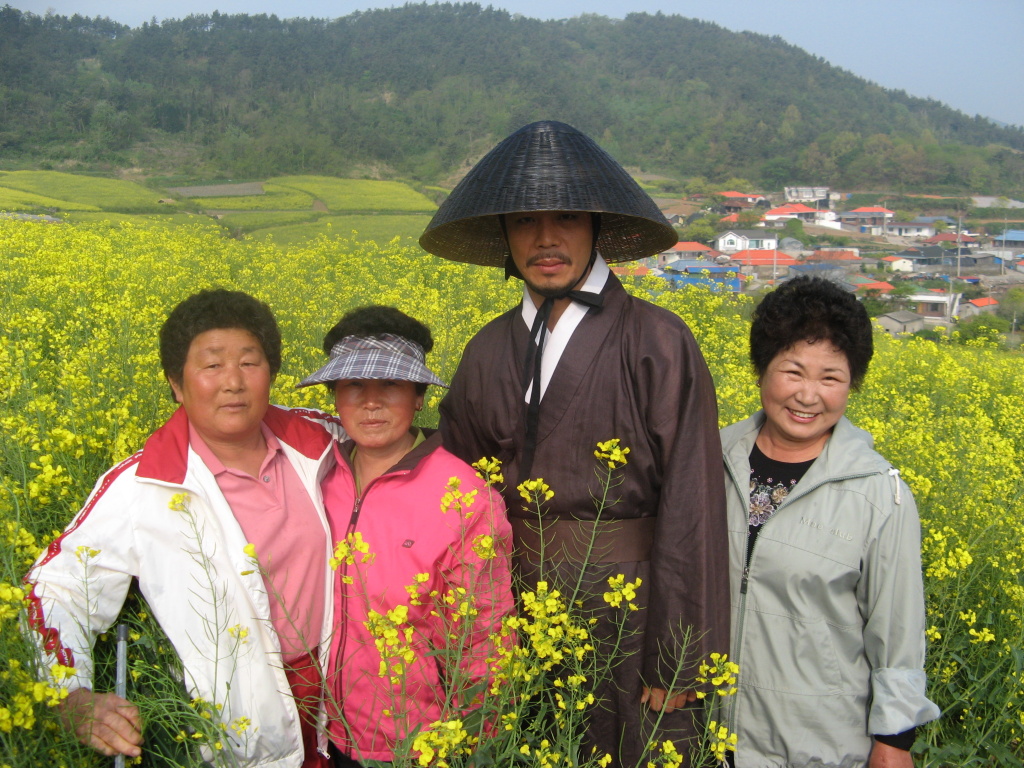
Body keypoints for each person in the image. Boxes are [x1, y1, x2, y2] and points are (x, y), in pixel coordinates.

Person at [420, 120, 730, 767]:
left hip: (632, 610)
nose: (546, 238)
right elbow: (448, 487)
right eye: (525, 221)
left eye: (566, 217)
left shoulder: (658, 341)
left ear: (596, 227)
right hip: (515, 606)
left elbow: (692, 508)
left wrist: (678, 660)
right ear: (504, 236)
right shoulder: (487, 350)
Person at [25, 289, 340, 768]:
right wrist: (68, 697)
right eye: (212, 366)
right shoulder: (143, 486)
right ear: (177, 383)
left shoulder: (320, 441)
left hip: (342, 693)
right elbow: (58, 588)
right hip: (238, 716)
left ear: (271, 373)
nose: (233, 382)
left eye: (249, 363)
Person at [721, 276, 941, 767]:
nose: (808, 395)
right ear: (761, 370)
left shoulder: (880, 494)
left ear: (852, 384)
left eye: (831, 378)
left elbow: (898, 635)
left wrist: (893, 741)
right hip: (700, 738)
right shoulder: (708, 461)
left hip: (817, 747)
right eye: (793, 371)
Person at [296, 305, 514, 766]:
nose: (371, 403)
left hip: (422, 745)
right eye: (354, 386)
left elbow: (485, 640)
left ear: (419, 397)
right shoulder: (315, 477)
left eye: (390, 385)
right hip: (324, 733)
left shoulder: (465, 498)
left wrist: (473, 739)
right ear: (335, 396)